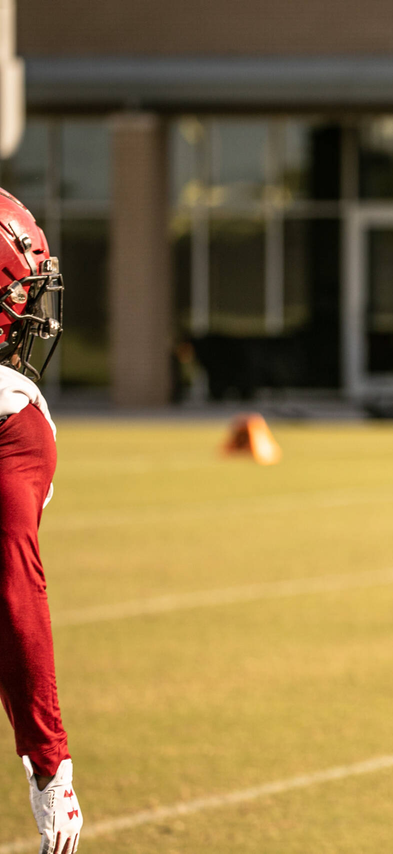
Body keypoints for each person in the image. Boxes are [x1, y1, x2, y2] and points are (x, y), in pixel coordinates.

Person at [0, 188, 82, 854]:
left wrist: (50, 762)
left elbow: (15, 598)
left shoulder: (15, 423)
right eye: (20, 293)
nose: (30, 312)